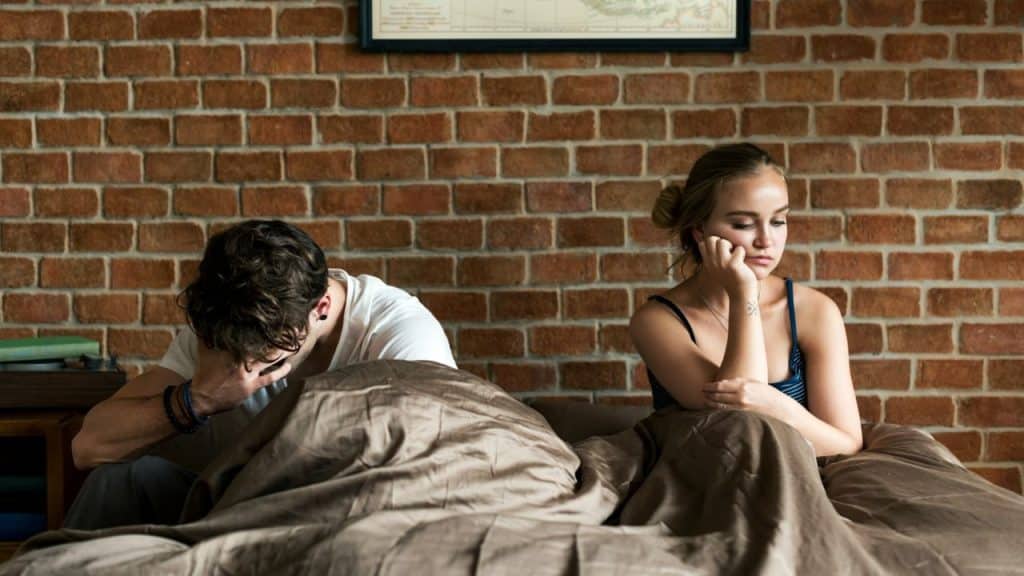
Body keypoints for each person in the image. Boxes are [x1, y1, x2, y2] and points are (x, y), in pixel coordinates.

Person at [66, 219, 457, 529]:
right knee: (123, 482)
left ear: (321, 307)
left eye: (261, 352)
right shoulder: (229, 325)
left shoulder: (400, 337)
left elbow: (429, 482)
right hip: (237, 509)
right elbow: (89, 447)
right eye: (233, 351)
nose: (243, 364)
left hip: (337, 518)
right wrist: (197, 399)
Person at [629, 143, 862, 457]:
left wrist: (775, 405)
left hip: (803, 482)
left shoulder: (814, 311)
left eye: (778, 221)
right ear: (700, 231)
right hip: (709, 484)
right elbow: (738, 427)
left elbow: (846, 443)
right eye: (743, 224)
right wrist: (743, 295)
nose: (766, 241)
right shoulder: (657, 322)